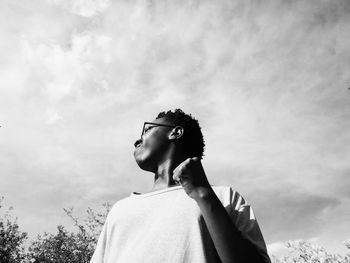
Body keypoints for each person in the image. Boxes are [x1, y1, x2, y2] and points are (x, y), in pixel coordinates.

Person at [90, 108, 271, 263]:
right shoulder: (120, 209)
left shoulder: (223, 197)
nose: (137, 140)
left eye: (148, 129)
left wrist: (202, 193)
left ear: (175, 132)